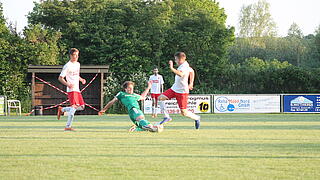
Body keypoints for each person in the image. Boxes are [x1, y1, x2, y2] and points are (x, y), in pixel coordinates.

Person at [157, 52, 201, 129]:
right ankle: (166, 117)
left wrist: (171, 68)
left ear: (180, 59)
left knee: (184, 112)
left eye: (176, 59)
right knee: (160, 98)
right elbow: (192, 71)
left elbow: (180, 74)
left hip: (182, 92)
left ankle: (197, 118)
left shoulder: (183, 67)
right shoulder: (185, 65)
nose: (175, 61)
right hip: (174, 89)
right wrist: (191, 83)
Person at [98, 81, 163, 133]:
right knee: (141, 119)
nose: (131, 89)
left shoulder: (134, 95)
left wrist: (149, 87)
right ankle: (153, 127)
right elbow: (112, 101)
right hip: (133, 110)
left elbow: (142, 97)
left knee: (142, 124)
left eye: (132, 87)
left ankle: (136, 129)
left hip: (135, 111)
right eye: (129, 87)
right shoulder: (122, 94)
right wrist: (104, 109)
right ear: (125, 89)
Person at [57, 48, 86, 131]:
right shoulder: (67, 66)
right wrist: (68, 84)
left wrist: (81, 80)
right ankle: (68, 126)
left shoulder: (78, 64)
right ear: (70, 55)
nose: (76, 57)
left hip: (77, 89)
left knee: (82, 107)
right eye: (74, 55)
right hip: (72, 90)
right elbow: (60, 78)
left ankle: (62, 109)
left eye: (77, 55)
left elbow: (77, 75)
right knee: (74, 107)